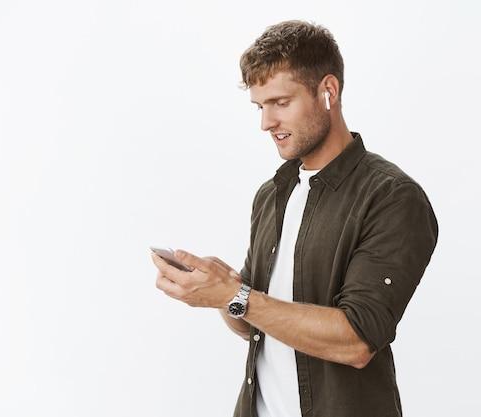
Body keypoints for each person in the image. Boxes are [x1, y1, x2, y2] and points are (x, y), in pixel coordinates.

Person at [151, 19, 438, 417]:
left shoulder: (391, 198)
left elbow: (357, 341)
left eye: (281, 103)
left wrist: (237, 297)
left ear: (328, 92)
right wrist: (221, 293)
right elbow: (253, 322)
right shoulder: (272, 195)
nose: (266, 123)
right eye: (260, 106)